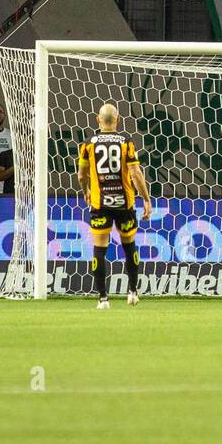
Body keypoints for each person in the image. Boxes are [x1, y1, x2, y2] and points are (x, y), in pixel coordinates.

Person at [78, 103, 151, 309]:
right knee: (129, 246)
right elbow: (136, 174)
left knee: (99, 248)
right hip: (124, 202)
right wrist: (146, 198)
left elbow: (82, 175)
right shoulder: (126, 142)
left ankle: (103, 299)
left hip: (100, 203)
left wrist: (86, 191)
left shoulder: (88, 143)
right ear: (117, 120)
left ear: (97, 119)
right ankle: (133, 293)